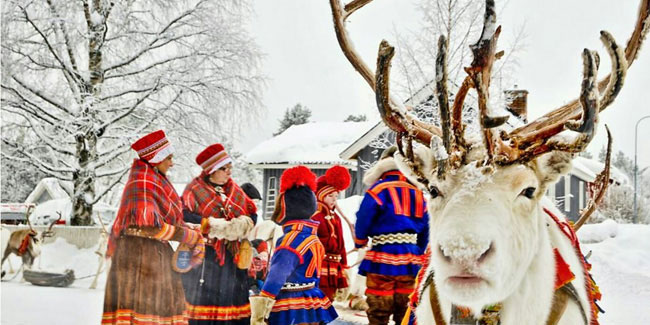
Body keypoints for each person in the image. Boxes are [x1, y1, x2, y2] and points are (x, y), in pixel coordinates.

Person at [103, 130, 204, 325]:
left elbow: (163, 221)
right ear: (156, 158)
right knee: (145, 312)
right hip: (140, 258)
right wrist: (186, 236)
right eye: (169, 157)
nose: (172, 163)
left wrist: (188, 229)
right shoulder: (142, 181)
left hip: (153, 256)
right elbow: (148, 226)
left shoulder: (155, 179)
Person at [250, 166, 338, 325]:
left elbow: (277, 276)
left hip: (291, 307)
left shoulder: (289, 241)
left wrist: (260, 310)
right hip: (311, 301)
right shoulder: (313, 238)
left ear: (286, 208)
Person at [181, 144, 258, 325]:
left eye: (230, 168)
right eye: (224, 169)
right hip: (204, 258)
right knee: (203, 304)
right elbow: (183, 215)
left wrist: (240, 225)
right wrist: (214, 226)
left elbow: (252, 213)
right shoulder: (194, 190)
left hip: (231, 258)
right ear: (211, 170)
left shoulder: (235, 191)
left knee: (231, 301)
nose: (228, 173)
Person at [354, 147, 429, 325]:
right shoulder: (418, 193)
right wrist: (418, 249)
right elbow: (427, 226)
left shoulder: (377, 190)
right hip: (410, 258)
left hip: (382, 256)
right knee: (405, 306)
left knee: (379, 306)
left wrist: (360, 240)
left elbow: (364, 217)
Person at [311, 165, 352, 301]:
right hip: (319, 267)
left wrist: (345, 266)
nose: (334, 199)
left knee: (329, 301)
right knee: (319, 300)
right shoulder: (314, 217)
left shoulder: (336, 218)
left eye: (336, 196)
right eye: (330, 196)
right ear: (320, 196)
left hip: (335, 267)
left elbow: (342, 245)